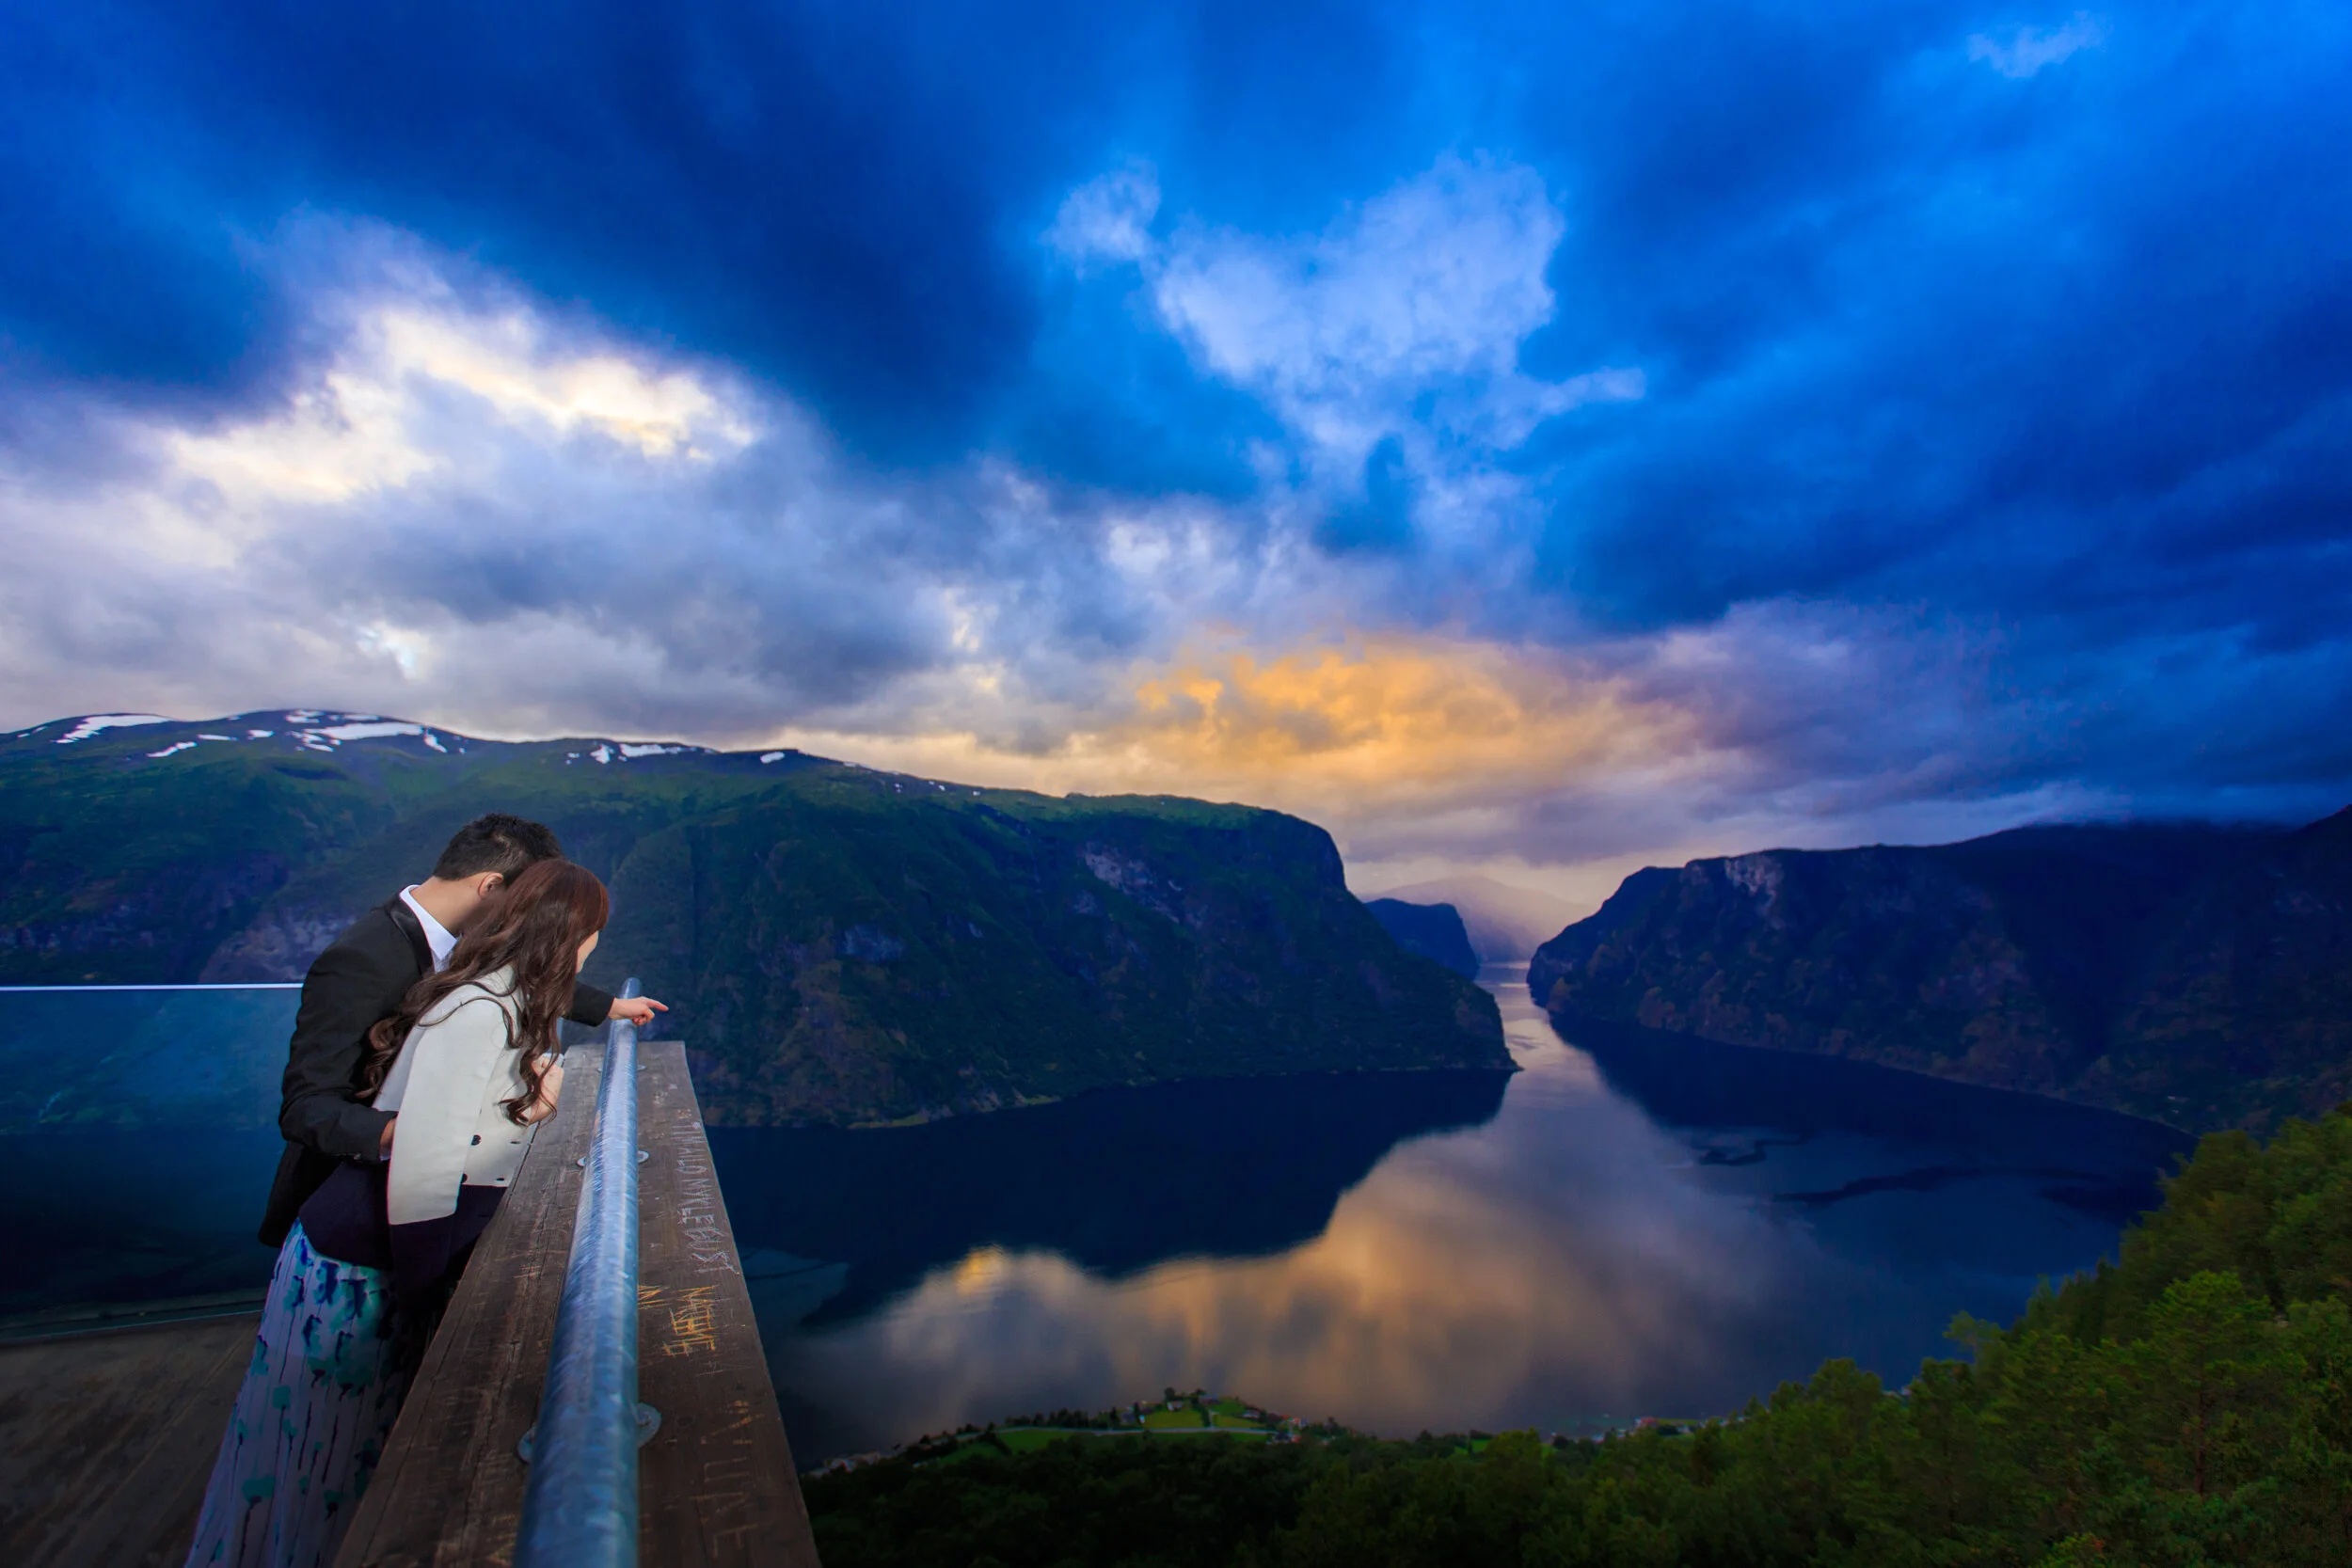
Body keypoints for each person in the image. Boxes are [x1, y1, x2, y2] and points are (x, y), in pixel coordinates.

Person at [185, 859, 612, 1568]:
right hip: (358, 1273)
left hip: (376, 1260)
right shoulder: (478, 1012)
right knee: (316, 1462)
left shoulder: (500, 1002)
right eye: (593, 930)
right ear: (571, 932)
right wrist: (422, 1291)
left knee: (328, 1458)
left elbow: (464, 1128)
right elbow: (424, 1162)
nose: (594, 944)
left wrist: (533, 1103)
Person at [256, 813, 664, 1248]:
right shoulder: (360, 960)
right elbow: (306, 1106)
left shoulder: (461, 940)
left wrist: (612, 1007)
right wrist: (432, 1137)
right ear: (490, 886)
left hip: (421, 1202)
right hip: (350, 1207)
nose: (527, 921)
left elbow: (516, 978)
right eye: (523, 904)